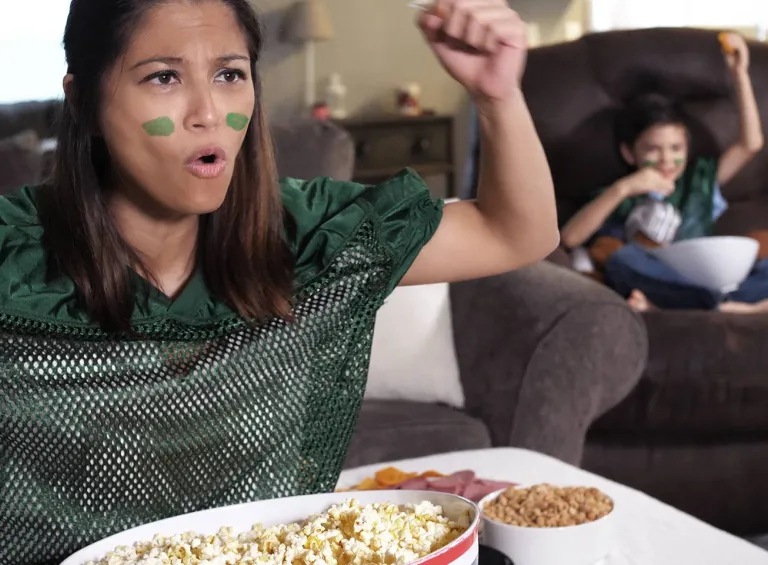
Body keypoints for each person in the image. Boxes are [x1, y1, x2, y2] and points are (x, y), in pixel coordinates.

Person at [0, 0, 558, 563]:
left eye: (229, 74)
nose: (208, 113)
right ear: (84, 102)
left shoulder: (305, 232)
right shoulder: (13, 256)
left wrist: (497, 96)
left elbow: (515, 233)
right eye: (164, 77)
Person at [560, 32, 765, 313]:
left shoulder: (701, 180)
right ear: (629, 153)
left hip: (709, 275)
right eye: (653, 150)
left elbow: (750, 144)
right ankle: (721, 306)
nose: (667, 159)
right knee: (622, 261)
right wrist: (624, 189)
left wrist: (739, 74)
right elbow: (569, 239)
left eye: (676, 148)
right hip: (656, 278)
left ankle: (701, 303)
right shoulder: (617, 193)